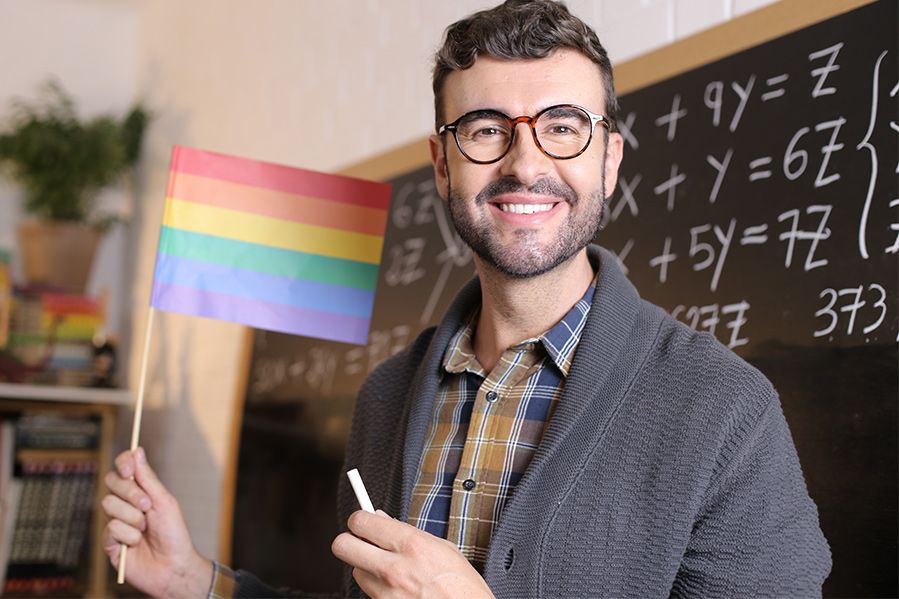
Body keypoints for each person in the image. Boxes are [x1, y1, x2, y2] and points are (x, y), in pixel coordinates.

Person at [102, 1, 832, 597]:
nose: (524, 162)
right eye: (485, 129)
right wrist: (196, 581)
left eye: (562, 128)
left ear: (608, 159)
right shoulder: (386, 397)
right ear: (441, 164)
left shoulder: (723, 409)